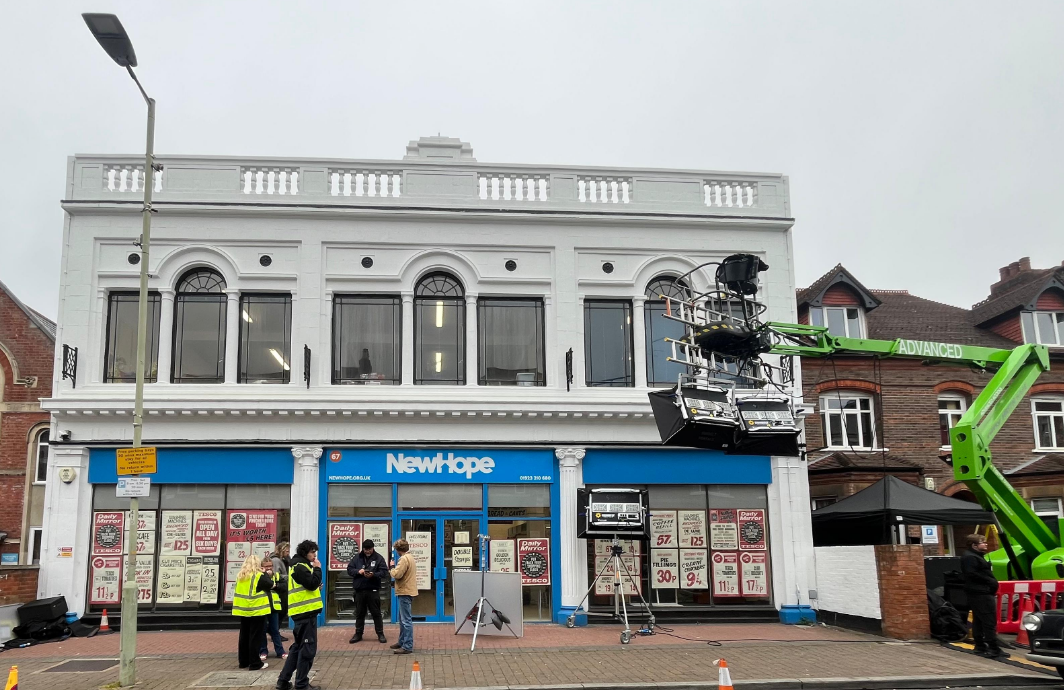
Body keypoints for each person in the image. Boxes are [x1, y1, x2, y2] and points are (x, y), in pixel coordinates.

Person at [276, 540, 322, 690]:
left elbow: (307, 587)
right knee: (307, 650)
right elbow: (311, 583)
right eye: (312, 552)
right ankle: (301, 684)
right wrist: (317, 569)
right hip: (305, 614)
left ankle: (283, 681)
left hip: (302, 613)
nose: (314, 555)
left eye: (315, 552)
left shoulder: (298, 566)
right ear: (304, 553)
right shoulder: (300, 567)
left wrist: (315, 587)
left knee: (297, 648)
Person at [961, 534, 1003, 658]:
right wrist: (990, 581)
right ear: (974, 545)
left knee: (979, 621)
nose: (986, 544)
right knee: (989, 621)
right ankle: (993, 649)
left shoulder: (974, 556)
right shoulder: (971, 558)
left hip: (979, 592)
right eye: (982, 542)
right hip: (981, 593)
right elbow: (972, 573)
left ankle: (980, 647)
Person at [233, 553, 274, 671]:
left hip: (242, 609)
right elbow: (270, 584)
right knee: (255, 637)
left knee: (244, 636)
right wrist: (266, 573)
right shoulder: (258, 576)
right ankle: (255, 663)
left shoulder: (240, 576)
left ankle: (243, 661)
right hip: (256, 609)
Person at [347, 539, 389, 644]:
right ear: (363, 549)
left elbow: (384, 572)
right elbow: (349, 570)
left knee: (376, 613)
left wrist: (373, 575)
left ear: (373, 548)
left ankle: (380, 633)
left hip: (373, 590)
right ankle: (358, 634)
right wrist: (358, 572)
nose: (367, 551)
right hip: (360, 590)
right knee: (360, 613)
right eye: (366, 549)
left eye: (369, 549)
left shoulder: (379, 558)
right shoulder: (357, 558)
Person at [389, 538, 417, 655]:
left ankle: (407, 646)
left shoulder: (403, 559)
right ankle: (401, 641)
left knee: (406, 620)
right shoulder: (410, 557)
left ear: (398, 549)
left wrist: (391, 567)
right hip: (408, 590)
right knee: (402, 619)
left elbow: (397, 574)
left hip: (404, 591)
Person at [259, 557, 287, 661]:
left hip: (274, 607)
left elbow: (284, 587)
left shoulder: (277, 576)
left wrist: (275, 586)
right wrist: (267, 578)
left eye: (270, 566)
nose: (269, 568)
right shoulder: (260, 576)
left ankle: (280, 651)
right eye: (266, 566)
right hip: (262, 606)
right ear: (262, 567)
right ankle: (263, 651)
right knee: (262, 630)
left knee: (275, 630)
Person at [272, 543, 291, 638]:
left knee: (283, 611)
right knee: (281, 611)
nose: (288, 553)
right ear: (282, 550)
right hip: (279, 589)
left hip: (283, 588)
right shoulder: (276, 560)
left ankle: (275, 632)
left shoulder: (283, 560)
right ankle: (274, 633)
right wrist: (288, 577)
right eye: (287, 551)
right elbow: (276, 575)